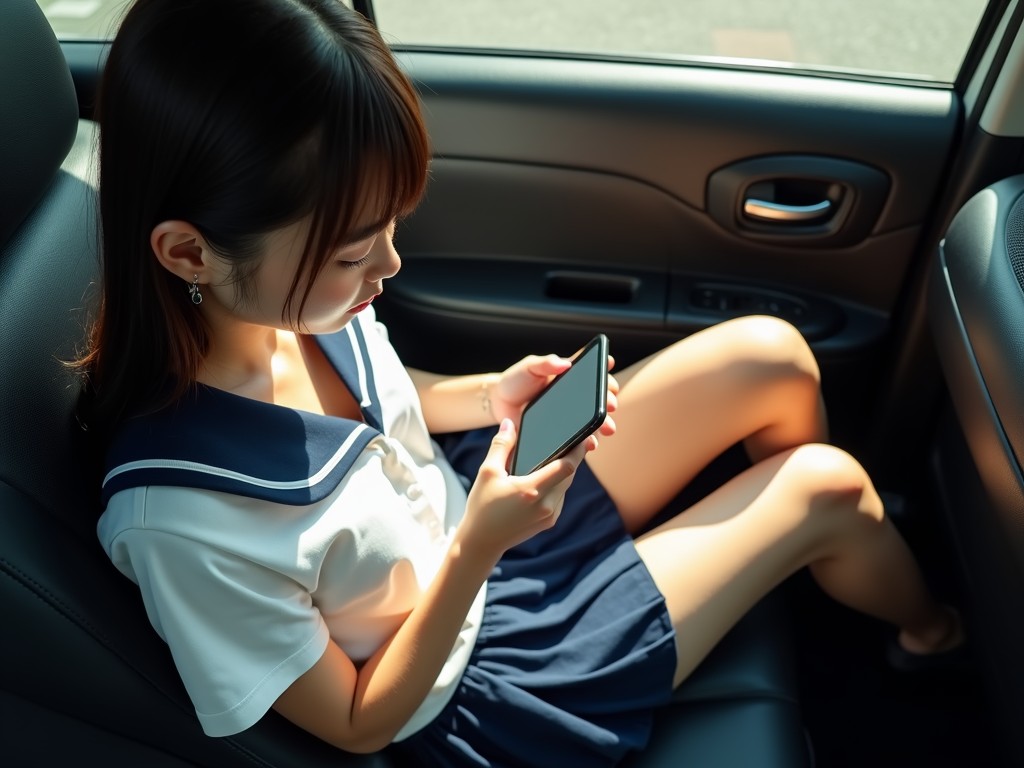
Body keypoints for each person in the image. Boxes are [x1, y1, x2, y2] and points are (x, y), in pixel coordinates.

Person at [79, 0, 965, 765]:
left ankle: (782, 565)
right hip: (484, 671)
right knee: (829, 490)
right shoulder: (184, 523)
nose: (389, 265)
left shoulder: (294, 311)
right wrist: (479, 549)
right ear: (189, 252)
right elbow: (356, 723)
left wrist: (489, 394)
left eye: (389, 230)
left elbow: (390, 400)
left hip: (469, 514)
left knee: (769, 356)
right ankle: (934, 639)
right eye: (355, 252)